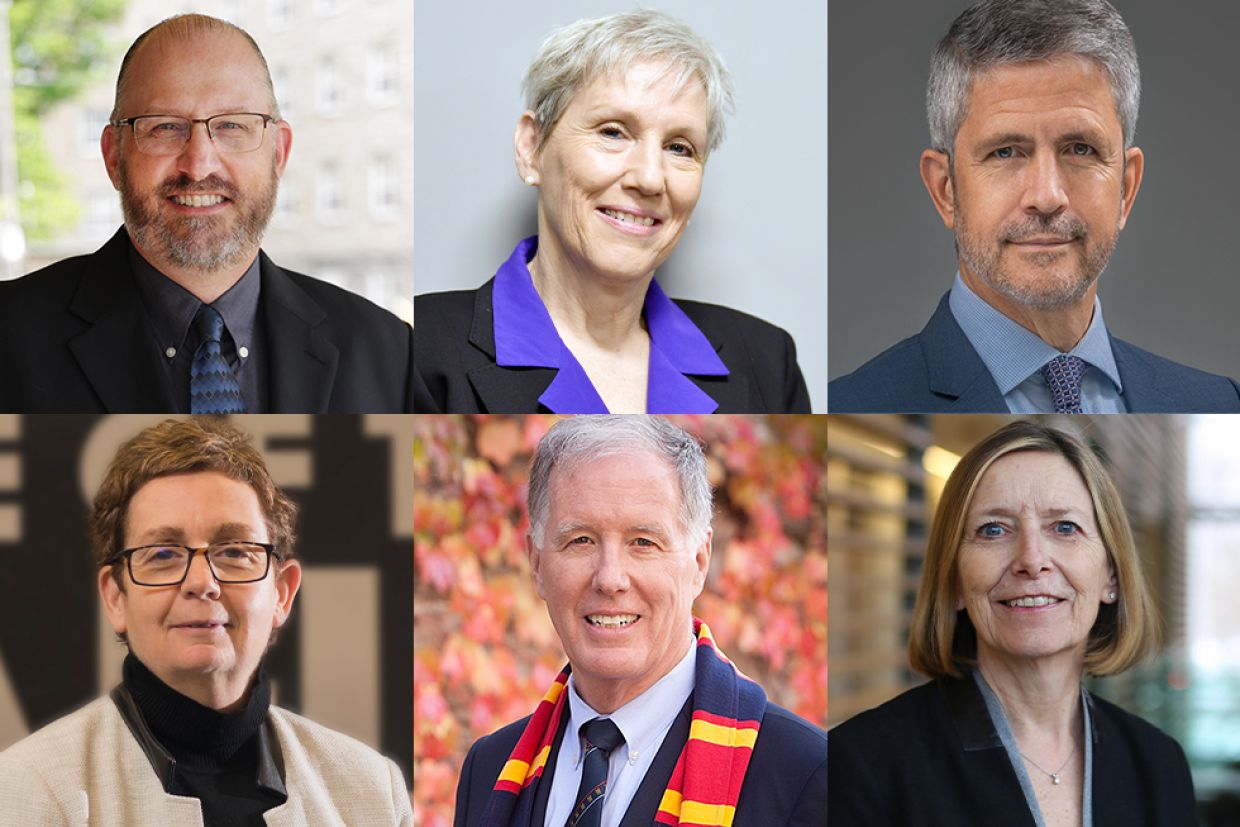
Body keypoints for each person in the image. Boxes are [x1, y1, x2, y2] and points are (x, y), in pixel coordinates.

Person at [828, 0, 1240, 414]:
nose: (1046, 196)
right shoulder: (846, 405)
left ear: (1126, 187)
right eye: (1006, 152)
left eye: (1081, 148)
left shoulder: (1221, 404)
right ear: (946, 189)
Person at [0, 418, 413, 824]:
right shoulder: (29, 792)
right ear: (115, 597)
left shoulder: (373, 792)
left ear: (282, 593)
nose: (202, 583)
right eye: (162, 554)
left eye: (234, 551)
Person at [0, 14, 413, 413]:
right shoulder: (10, 338)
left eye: (232, 126)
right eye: (164, 127)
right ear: (113, 157)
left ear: (279, 153)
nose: (198, 165)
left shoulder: (390, 352)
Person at [414, 10, 810, 414]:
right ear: (532, 148)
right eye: (613, 132)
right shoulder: (418, 348)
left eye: (679, 148)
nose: (651, 178)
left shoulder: (767, 361)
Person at [453, 416, 825, 826]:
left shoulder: (804, 774)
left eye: (643, 542)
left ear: (699, 563)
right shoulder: (487, 769)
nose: (610, 578)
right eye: (581, 540)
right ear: (537, 563)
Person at [829, 422, 1197, 825]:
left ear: (1110, 576)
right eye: (993, 530)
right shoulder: (863, 765)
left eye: (1064, 527)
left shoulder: (1160, 765)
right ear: (953, 580)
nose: (1032, 559)